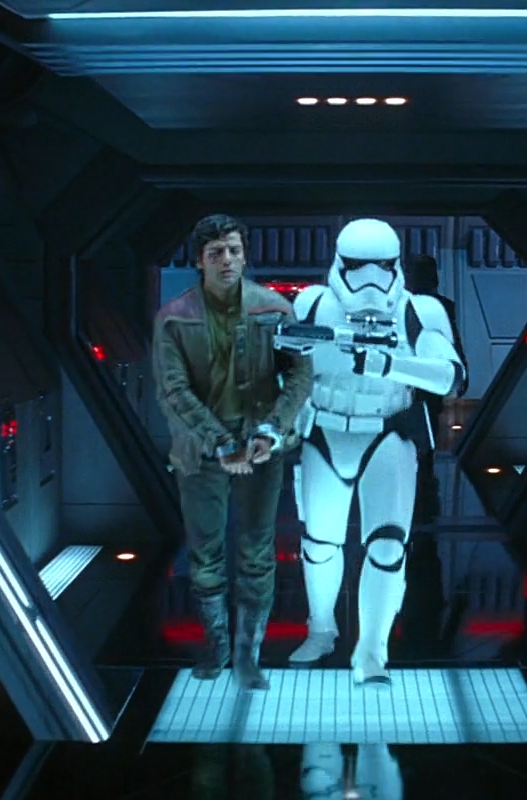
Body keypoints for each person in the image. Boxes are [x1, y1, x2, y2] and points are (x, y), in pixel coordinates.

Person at [285, 218, 465, 687]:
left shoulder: (418, 310)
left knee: (387, 547)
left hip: (388, 431)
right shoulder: (313, 304)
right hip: (326, 430)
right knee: (320, 543)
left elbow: (451, 375)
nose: (370, 280)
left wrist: (390, 364)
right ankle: (321, 630)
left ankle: (371, 650)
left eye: (381, 267)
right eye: (357, 266)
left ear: (395, 265)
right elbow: (286, 367)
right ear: (339, 263)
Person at [154, 214, 313, 692]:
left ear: (245, 255)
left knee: (257, 551)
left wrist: (271, 431)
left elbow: (300, 376)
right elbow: (173, 390)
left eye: (235, 250)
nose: (227, 260)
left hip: (260, 446)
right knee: (205, 553)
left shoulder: (274, 309)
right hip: (200, 453)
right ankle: (217, 646)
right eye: (217, 252)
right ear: (200, 260)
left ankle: (247, 654)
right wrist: (219, 442)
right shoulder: (174, 316)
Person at [403, 254, 466, 521]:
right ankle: (423, 474)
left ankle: (420, 474)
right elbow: (453, 342)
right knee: (426, 424)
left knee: (422, 424)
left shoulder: (405, 305)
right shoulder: (441, 305)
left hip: (418, 377)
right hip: (422, 377)